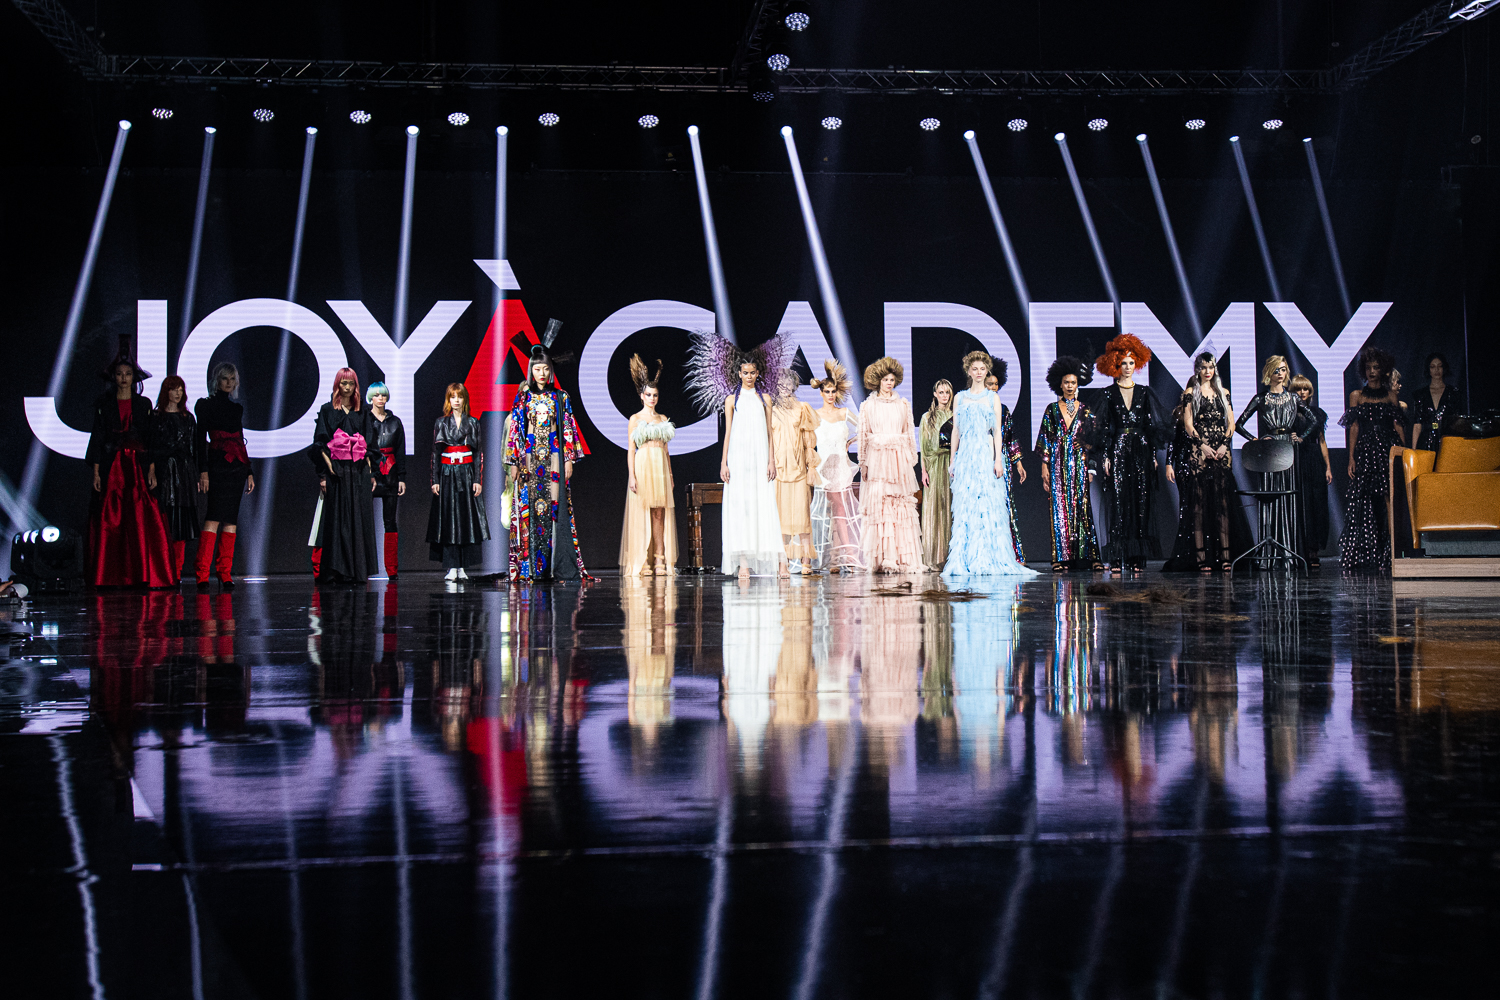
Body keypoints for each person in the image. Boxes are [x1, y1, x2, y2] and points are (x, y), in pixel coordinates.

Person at [85, 337, 174, 588]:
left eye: (127, 374)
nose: (123, 378)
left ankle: (144, 574)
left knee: (141, 516)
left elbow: (150, 438)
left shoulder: (143, 404)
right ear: (113, 377)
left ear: (134, 378)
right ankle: (109, 575)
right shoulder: (104, 405)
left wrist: (152, 468)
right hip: (112, 466)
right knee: (111, 517)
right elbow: (97, 437)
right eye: (119, 374)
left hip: (138, 466)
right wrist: (96, 472)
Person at [943, 351, 1035, 578]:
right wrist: (953, 460)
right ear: (968, 371)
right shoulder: (960, 397)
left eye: (982, 369)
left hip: (985, 453)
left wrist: (998, 459)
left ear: (987, 371)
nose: (978, 372)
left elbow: (997, 432)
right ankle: (966, 558)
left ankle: (988, 557)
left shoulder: (993, 398)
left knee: (987, 505)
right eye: (974, 369)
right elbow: (956, 430)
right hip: (966, 455)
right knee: (966, 505)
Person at [505, 344, 591, 581]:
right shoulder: (523, 397)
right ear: (531, 371)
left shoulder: (560, 397)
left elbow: (568, 429)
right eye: (537, 369)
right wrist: (513, 462)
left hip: (554, 459)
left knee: (554, 509)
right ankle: (531, 568)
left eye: (545, 369)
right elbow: (516, 430)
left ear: (551, 370)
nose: (541, 373)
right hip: (529, 461)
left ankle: (554, 566)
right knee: (530, 511)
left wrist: (569, 459)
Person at [1094, 334, 1165, 575]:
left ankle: (1137, 557)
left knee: (1140, 502)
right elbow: (1104, 427)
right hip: (1118, 449)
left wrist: (1153, 455)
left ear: (1138, 364)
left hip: (1141, 449)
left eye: (1131, 362)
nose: (1127, 367)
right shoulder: (1108, 394)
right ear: (1115, 364)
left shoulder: (1145, 393)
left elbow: (1151, 426)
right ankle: (1116, 557)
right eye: (1123, 363)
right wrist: (1105, 456)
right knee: (1118, 502)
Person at [1235, 355, 1313, 570]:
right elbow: (1239, 424)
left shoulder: (1293, 398)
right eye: (1277, 370)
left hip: (1287, 448)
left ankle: (1289, 552)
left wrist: (1301, 437)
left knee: (1288, 498)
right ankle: (1267, 553)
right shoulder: (1261, 398)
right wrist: (1255, 440)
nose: (1280, 373)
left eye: (1283, 369)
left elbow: (1314, 420)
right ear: (1269, 372)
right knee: (1269, 496)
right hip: (1268, 450)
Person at [309, 367, 379, 584]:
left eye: (351, 384)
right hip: (337, 471)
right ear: (337, 385)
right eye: (343, 383)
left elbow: (370, 443)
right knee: (336, 519)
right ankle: (335, 570)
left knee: (358, 517)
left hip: (358, 471)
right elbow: (320, 442)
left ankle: (358, 570)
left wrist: (372, 473)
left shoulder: (363, 412)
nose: (347, 388)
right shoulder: (328, 410)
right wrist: (326, 470)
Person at [1340, 346, 1405, 572]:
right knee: (1363, 500)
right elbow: (1354, 427)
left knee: (1390, 498)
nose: (1372, 371)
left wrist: (1404, 452)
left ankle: (1392, 550)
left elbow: (1398, 425)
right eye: (1368, 367)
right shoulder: (1356, 396)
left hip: (1388, 450)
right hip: (1366, 451)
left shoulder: (1391, 396)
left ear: (1383, 370)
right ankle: (1367, 552)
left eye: (1376, 367)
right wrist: (1351, 457)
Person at [858, 357, 925, 573]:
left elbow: (909, 432)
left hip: (898, 460)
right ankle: (883, 558)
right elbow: (863, 434)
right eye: (886, 379)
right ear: (878, 380)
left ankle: (903, 558)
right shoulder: (868, 406)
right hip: (877, 459)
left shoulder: (902, 404)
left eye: (892, 380)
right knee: (881, 505)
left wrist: (911, 458)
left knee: (900, 505)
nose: (889, 383)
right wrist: (862, 462)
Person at [1035, 356, 1100, 572]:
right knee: (1059, 509)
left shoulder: (1086, 410)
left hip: (1080, 464)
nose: (1070, 386)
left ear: (1078, 384)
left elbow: (1093, 441)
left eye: (1073, 382)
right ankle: (1060, 558)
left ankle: (1087, 557)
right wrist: (1044, 467)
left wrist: (1091, 467)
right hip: (1057, 464)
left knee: (1082, 507)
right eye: (1066, 382)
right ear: (1060, 385)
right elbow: (1045, 440)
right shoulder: (1052, 409)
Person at [194, 362, 255, 588]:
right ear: (216, 380)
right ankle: (202, 573)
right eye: (224, 379)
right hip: (217, 465)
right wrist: (203, 471)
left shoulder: (236, 409)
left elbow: (240, 440)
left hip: (236, 468)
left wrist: (249, 471)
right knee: (213, 516)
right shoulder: (205, 405)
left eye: (232, 379)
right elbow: (199, 440)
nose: (228, 383)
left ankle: (224, 572)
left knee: (231, 519)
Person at [619, 355, 677, 577]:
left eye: (655, 395)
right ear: (642, 396)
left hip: (660, 466)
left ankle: (659, 558)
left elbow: (666, 451)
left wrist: (670, 474)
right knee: (641, 512)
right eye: (649, 395)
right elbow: (630, 450)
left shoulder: (662, 418)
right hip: (643, 465)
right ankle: (642, 557)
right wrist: (632, 476)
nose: (652, 398)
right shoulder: (635, 418)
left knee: (659, 513)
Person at [1179, 352, 1236, 572]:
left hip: (1221, 449)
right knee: (1199, 504)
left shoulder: (1223, 392)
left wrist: (1224, 445)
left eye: (1211, 367)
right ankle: (1201, 557)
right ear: (1197, 369)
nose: (1207, 371)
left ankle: (1225, 556)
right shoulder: (1190, 393)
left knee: (1223, 503)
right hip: (1200, 449)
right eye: (1203, 367)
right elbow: (1188, 424)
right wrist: (1202, 445)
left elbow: (1231, 422)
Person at [808, 359, 865, 573]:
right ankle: (833, 558)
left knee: (840, 511)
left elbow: (864, 427)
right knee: (826, 513)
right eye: (827, 391)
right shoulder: (814, 415)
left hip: (840, 467)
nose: (831, 395)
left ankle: (846, 557)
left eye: (833, 391)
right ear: (821, 393)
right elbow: (806, 440)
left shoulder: (844, 413)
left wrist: (853, 441)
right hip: (823, 468)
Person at [429, 382, 490, 581]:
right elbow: (436, 453)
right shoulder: (441, 423)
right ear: (448, 400)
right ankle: (451, 567)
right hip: (447, 474)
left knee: (465, 518)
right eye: (453, 397)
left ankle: (463, 567)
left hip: (466, 474)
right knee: (448, 519)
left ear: (465, 399)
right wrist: (435, 479)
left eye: (460, 396)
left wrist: (477, 479)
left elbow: (478, 453)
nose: (456, 400)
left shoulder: (472, 422)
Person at [151, 374, 200, 582]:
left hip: (184, 473)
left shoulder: (188, 418)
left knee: (181, 524)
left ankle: (176, 571)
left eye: (181, 389)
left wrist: (198, 474)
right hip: (164, 472)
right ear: (166, 392)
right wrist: (152, 470)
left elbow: (194, 449)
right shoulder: (156, 417)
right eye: (174, 389)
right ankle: (163, 571)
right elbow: (151, 446)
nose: (178, 393)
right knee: (164, 522)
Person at [772, 374, 818, 574]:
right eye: (780, 383)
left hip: (799, 470)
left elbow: (809, 441)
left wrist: (811, 466)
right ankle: (784, 563)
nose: (784, 386)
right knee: (781, 518)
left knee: (802, 516)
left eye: (788, 383)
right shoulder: (771, 410)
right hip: (779, 470)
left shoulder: (802, 408)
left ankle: (806, 560)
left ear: (794, 385)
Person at [1291, 375, 1332, 569]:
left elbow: (1322, 441)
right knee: (1301, 504)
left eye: (1305, 389)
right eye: (1298, 389)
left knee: (1317, 504)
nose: (1302, 393)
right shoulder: (1289, 414)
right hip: (1297, 459)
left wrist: (1328, 467)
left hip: (1315, 459)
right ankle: (1300, 550)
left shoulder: (1317, 413)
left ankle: (1314, 550)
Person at [367, 381, 407, 579]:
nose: (380, 398)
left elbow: (400, 451)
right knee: (364, 521)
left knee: (390, 521)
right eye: (376, 395)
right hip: (369, 473)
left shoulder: (395, 422)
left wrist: (401, 477)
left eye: (383, 395)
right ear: (370, 398)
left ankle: (392, 569)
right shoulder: (364, 420)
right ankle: (363, 566)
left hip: (390, 473)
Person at [919, 379, 955, 570]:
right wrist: (924, 471)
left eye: (947, 392)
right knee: (934, 508)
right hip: (933, 466)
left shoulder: (955, 416)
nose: (944, 396)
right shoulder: (927, 418)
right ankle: (933, 557)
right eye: (941, 392)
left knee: (950, 508)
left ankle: (950, 557)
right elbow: (923, 447)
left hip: (951, 466)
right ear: (935, 394)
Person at [1412, 352, 1462, 451]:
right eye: (1432, 367)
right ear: (1428, 369)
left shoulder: (1453, 393)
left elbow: (1458, 422)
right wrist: (1414, 451)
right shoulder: (1421, 394)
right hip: (1426, 440)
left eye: (1440, 366)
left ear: (1444, 368)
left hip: (1447, 439)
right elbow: (1417, 424)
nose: (1436, 370)